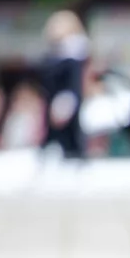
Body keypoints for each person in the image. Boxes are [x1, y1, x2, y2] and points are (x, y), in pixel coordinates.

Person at [37, 10, 90, 160]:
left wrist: (64, 105)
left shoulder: (71, 60)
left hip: (66, 126)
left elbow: (72, 90)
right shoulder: (59, 58)